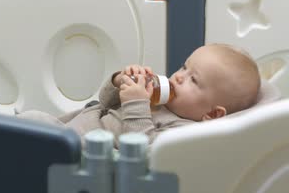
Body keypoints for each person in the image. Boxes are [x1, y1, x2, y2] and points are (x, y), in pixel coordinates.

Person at [17, 43, 261, 146]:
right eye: (184, 67)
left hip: (81, 159)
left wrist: (136, 103)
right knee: (33, 118)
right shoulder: (159, 99)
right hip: (68, 128)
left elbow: (144, 153)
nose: (178, 77)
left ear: (213, 114)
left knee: (32, 126)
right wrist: (120, 82)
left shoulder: (184, 134)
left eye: (193, 80)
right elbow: (104, 104)